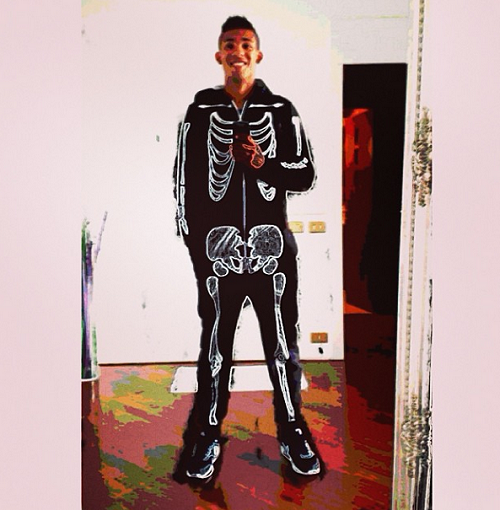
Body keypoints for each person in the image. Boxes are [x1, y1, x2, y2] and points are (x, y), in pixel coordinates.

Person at [174, 15, 321, 481]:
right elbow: (184, 180)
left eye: (245, 43)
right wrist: (198, 244)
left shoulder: (281, 109)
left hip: (269, 243)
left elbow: (305, 174)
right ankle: (205, 434)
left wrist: (263, 163)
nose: (237, 51)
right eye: (229, 43)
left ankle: (292, 430)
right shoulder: (199, 111)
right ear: (219, 54)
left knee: (281, 345)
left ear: (257, 54)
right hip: (217, 247)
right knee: (214, 347)